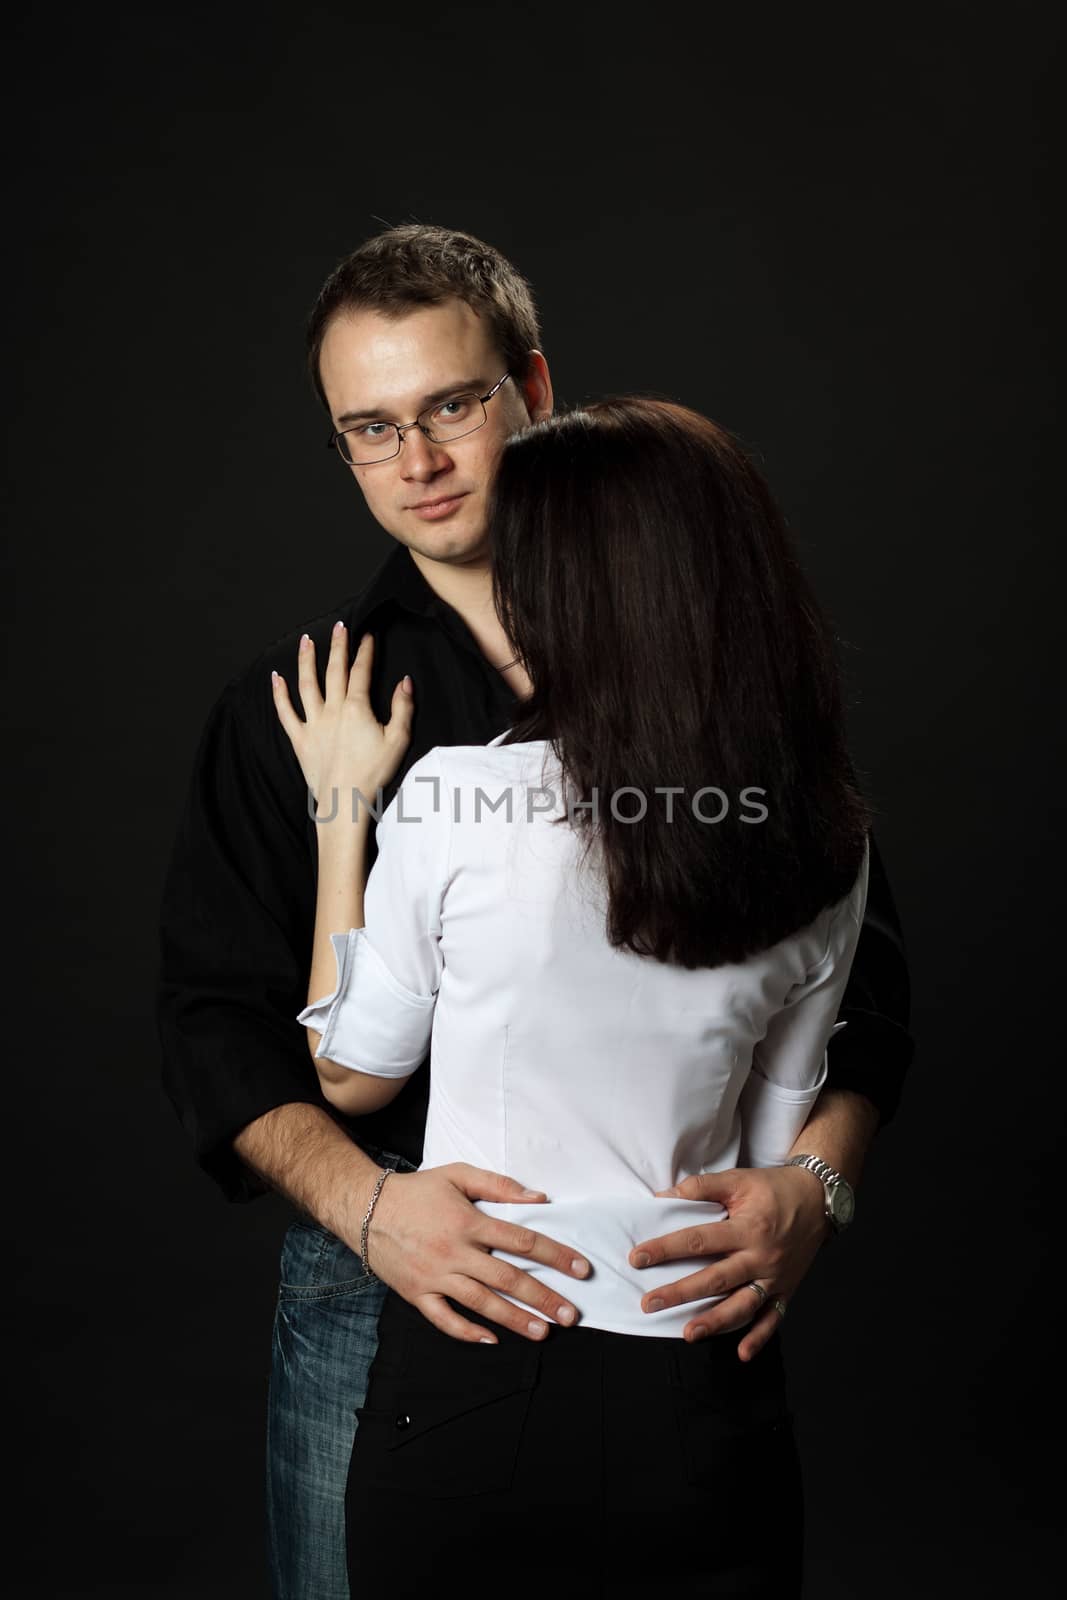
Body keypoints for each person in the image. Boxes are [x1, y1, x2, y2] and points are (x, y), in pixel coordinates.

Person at [156, 225, 913, 1599]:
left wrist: (814, 1188)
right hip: (379, 1291)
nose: (419, 462)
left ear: (533, 387)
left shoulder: (720, 683)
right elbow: (214, 1021)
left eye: (450, 405)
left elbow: (868, 995)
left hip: (671, 1294)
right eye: (369, 431)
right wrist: (372, 1212)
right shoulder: (295, 709)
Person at [272, 396, 872, 1595]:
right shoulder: (824, 836)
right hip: (702, 1382)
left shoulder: (448, 798)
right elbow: (762, 1151)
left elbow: (351, 1074)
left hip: (479, 1372)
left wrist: (344, 815)